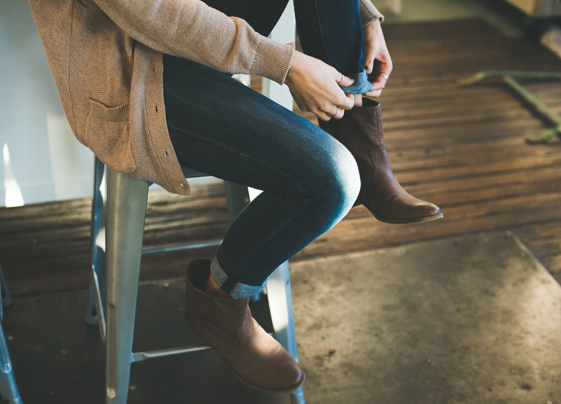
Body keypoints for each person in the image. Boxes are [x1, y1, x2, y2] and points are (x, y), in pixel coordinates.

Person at [28, 0, 442, 394]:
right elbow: (151, 11)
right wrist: (285, 65)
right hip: (133, 76)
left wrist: (364, 17)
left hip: (195, 37)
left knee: (341, 170)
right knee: (330, 181)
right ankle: (219, 302)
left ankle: (359, 136)